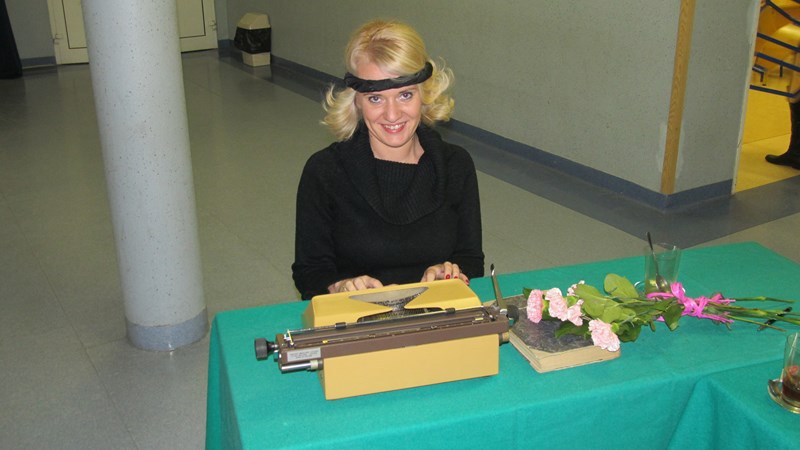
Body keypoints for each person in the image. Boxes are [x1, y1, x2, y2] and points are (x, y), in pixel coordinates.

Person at [291, 19, 484, 300]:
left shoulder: (456, 165)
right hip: (356, 316)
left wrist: (450, 272)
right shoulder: (325, 171)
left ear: (424, 94)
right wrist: (341, 286)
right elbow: (309, 273)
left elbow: (470, 260)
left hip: (436, 313)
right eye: (375, 99)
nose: (392, 115)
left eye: (405, 95)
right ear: (357, 101)